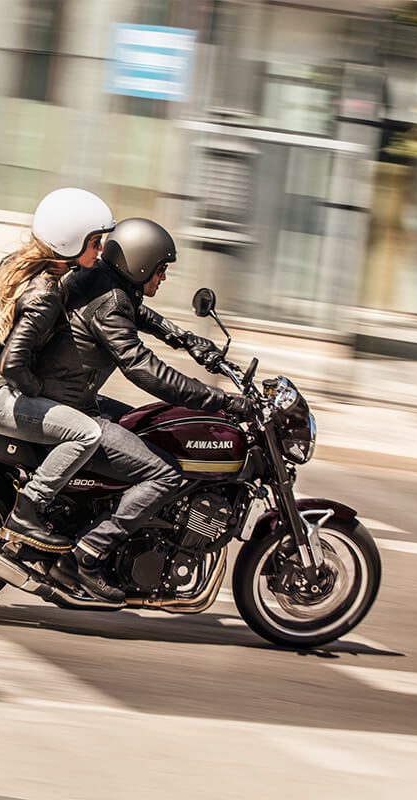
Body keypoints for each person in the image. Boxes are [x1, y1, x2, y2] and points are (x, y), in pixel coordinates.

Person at [35, 217, 251, 601]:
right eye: (160, 269)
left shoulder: (104, 280)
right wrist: (219, 400)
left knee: (145, 427)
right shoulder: (110, 300)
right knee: (164, 473)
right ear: (139, 264)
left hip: (68, 393)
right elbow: (143, 369)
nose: (163, 278)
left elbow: (139, 313)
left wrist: (184, 339)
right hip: (69, 406)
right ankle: (86, 554)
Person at [0, 188, 116, 552]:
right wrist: (37, 387)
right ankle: (28, 510)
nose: (100, 251)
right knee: (85, 432)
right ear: (69, 242)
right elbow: (14, 364)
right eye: (95, 242)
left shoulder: (16, 262)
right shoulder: (48, 290)